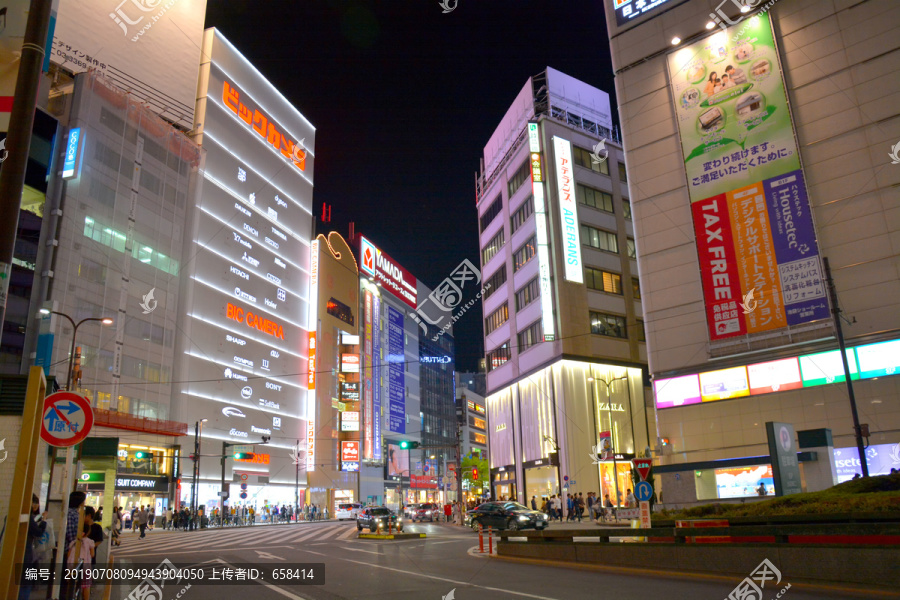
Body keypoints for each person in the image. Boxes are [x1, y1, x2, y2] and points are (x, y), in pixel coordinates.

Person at [19, 494, 48, 600]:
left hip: (21, 554)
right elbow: (38, 532)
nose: (35, 505)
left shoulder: (11, 515)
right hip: (26, 554)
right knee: (25, 583)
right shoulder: (27, 518)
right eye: (34, 502)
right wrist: (44, 521)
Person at [67, 524, 95, 600]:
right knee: (86, 586)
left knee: (71, 584)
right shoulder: (90, 542)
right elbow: (92, 554)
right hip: (85, 566)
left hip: (72, 567)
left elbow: (69, 554)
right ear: (88, 532)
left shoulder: (73, 542)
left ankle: (71, 596)